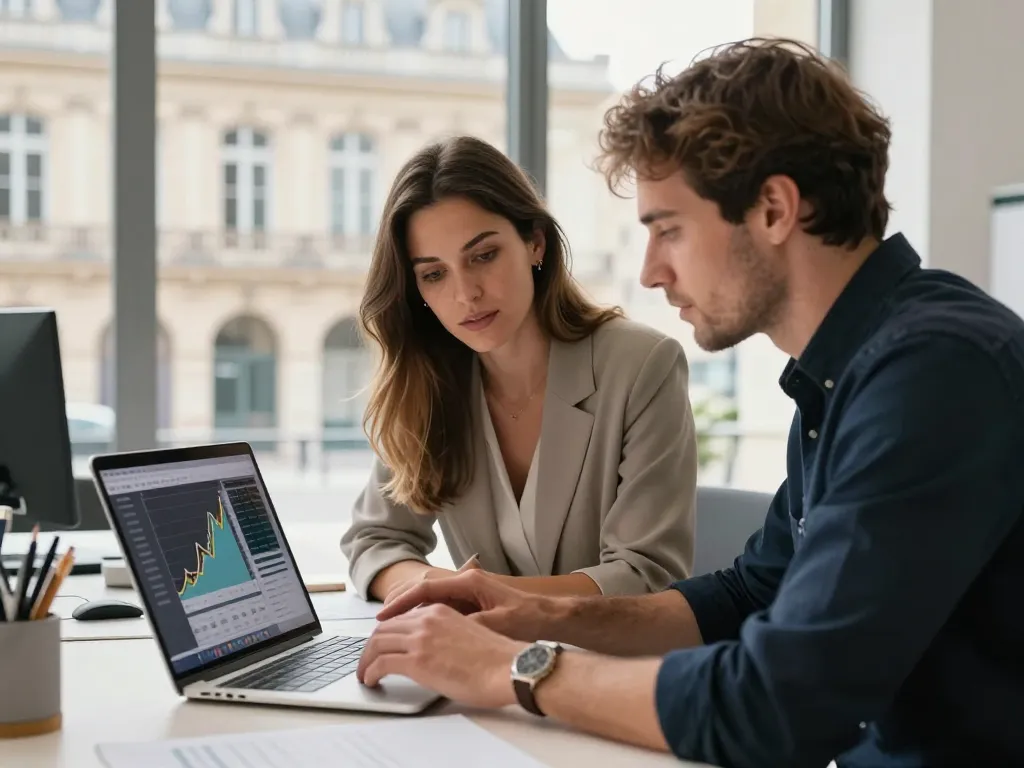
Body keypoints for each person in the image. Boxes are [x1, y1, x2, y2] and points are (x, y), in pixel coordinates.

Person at [354, 38, 1024, 768]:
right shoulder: (852, 371)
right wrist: (532, 613)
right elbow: (747, 595)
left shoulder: (932, 373)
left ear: (773, 209)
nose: (650, 272)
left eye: (667, 229)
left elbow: (776, 704)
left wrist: (515, 669)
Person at [341, 135, 697, 604]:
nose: (466, 294)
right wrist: (427, 586)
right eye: (434, 273)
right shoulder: (429, 383)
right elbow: (375, 541)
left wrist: (479, 595)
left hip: (608, 664)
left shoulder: (641, 366)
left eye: (483, 256)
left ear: (534, 243)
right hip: (478, 661)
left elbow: (646, 573)